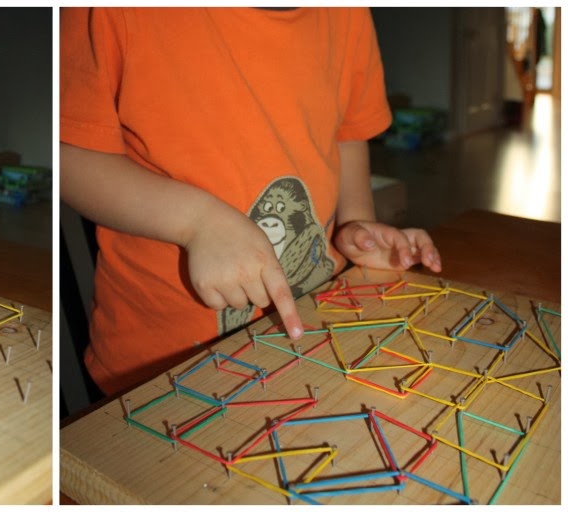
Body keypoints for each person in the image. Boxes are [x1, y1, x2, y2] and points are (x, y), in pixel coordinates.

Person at [61, 7, 443, 395]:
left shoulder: (348, 12)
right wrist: (196, 222)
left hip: (312, 333)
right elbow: (70, 158)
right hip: (162, 364)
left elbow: (347, 133)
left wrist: (356, 224)